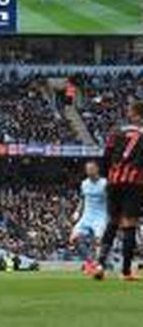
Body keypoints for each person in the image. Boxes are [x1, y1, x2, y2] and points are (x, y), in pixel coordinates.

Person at [94, 101, 143, 281]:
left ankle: (100, 265)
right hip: (135, 182)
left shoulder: (117, 132)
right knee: (129, 224)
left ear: (134, 113)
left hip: (114, 182)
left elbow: (105, 157)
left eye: (129, 110)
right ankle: (126, 271)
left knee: (112, 222)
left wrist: (108, 176)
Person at [69, 160, 107, 274]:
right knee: (73, 238)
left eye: (91, 169)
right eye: (87, 169)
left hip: (101, 216)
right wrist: (77, 212)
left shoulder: (105, 183)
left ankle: (99, 264)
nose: (89, 171)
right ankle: (90, 262)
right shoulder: (84, 183)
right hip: (86, 216)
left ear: (97, 169)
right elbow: (83, 199)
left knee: (99, 241)